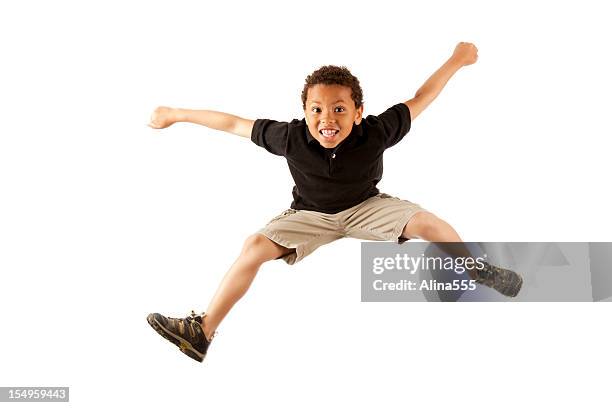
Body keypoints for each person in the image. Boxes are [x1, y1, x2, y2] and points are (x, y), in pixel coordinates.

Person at [146, 42, 522, 363]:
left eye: (340, 109)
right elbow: (231, 123)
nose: (328, 119)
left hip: (365, 206)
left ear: (358, 113)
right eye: (317, 109)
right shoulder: (289, 137)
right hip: (309, 214)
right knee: (253, 247)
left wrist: (457, 58)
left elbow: (421, 98)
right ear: (305, 112)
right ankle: (202, 331)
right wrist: (176, 115)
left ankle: (477, 268)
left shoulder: (376, 131)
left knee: (427, 223)